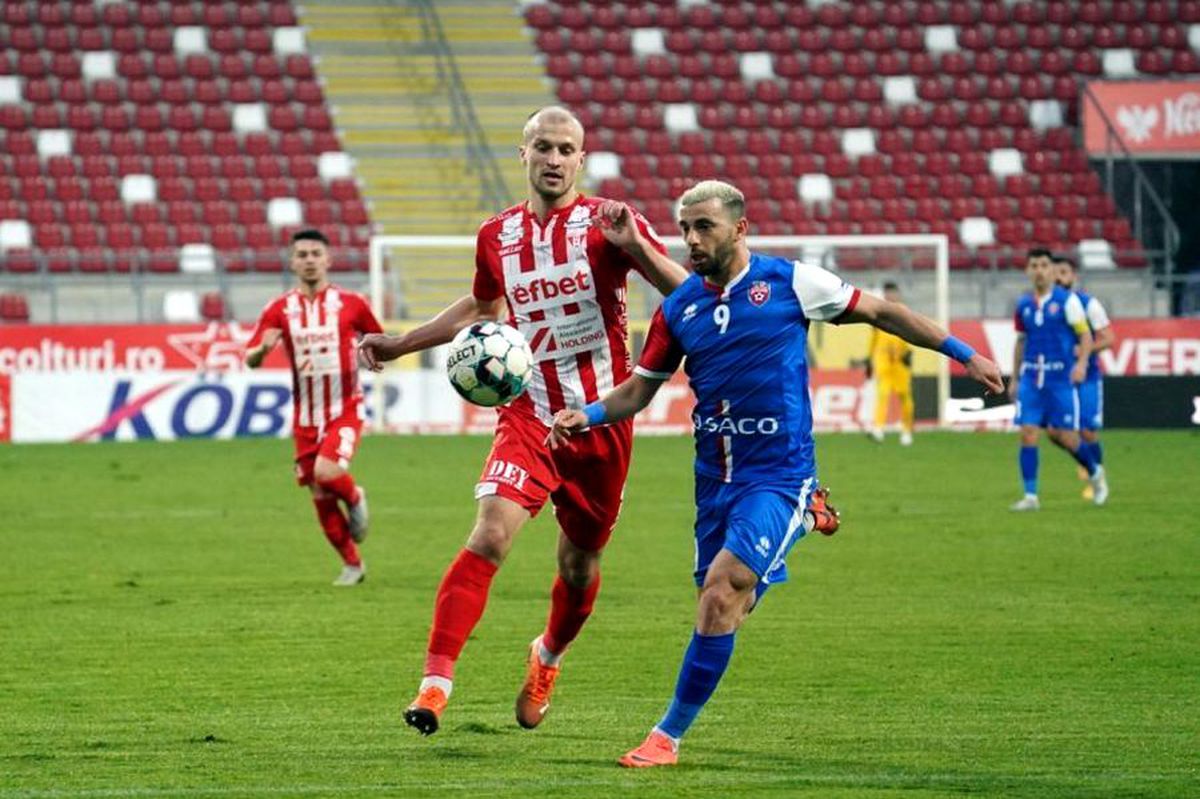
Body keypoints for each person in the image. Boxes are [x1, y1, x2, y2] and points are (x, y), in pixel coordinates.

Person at [547, 180, 1005, 768]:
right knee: (726, 603)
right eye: (685, 227)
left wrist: (965, 355)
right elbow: (640, 390)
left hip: (779, 473)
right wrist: (583, 415)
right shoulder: (679, 307)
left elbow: (884, 312)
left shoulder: (792, 283)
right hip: (714, 479)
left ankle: (666, 736)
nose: (691, 239)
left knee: (721, 590)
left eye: (703, 227)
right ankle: (810, 517)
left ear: (740, 229)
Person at [357, 106, 688, 735]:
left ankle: (547, 658)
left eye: (567, 149)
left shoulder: (610, 222)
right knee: (490, 533)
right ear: (524, 154)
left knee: (578, 564)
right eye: (544, 148)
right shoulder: (497, 235)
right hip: (529, 411)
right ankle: (434, 684)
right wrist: (401, 344)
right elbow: (484, 306)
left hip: (600, 420)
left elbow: (685, 294)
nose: (555, 159)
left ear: (582, 159)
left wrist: (637, 247)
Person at [245, 228, 383, 586]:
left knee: (327, 472)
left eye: (314, 254)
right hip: (305, 417)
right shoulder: (278, 309)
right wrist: (262, 349)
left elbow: (378, 338)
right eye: (302, 254)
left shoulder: (352, 303)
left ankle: (355, 497)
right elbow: (251, 359)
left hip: (345, 408)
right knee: (320, 493)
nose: (309, 260)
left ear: (328, 259)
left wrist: (374, 353)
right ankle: (353, 565)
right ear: (292, 262)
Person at [1007, 248, 1109, 510]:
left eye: (1044, 265)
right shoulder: (1023, 305)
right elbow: (1020, 341)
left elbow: (1085, 336)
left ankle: (1095, 473)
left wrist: (1082, 364)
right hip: (1032, 379)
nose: (1039, 270)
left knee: (1065, 436)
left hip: (1059, 380)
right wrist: (1015, 378)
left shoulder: (1068, 302)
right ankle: (1031, 496)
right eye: (1034, 265)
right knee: (1028, 433)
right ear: (1028, 271)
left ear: (1051, 271)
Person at [1054, 255, 1114, 499]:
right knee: (1056, 431)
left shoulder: (1088, 304)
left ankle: (1096, 479)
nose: (1059, 277)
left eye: (1064, 272)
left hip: (1087, 376)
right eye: (1055, 272)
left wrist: (1084, 350)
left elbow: (1109, 338)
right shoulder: (1047, 305)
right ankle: (1089, 468)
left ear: (1073, 276)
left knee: (1087, 431)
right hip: (1058, 379)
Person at [866, 282, 915, 445]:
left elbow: (912, 334)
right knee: (883, 394)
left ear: (898, 294)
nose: (890, 296)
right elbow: (873, 338)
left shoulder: (904, 312)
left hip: (900, 362)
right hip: (883, 362)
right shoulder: (878, 312)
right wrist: (869, 359)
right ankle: (878, 429)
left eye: (892, 292)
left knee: (905, 396)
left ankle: (907, 431)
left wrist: (908, 353)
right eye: (887, 293)